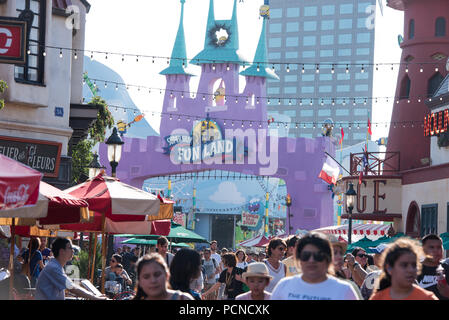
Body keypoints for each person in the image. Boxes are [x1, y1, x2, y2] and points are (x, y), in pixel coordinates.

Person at [271, 232, 359, 300]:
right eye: (306, 255)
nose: (311, 260)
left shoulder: (344, 290)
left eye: (318, 256)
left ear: (327, 258)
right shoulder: (284, 285)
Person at [35, 237, 107, 300]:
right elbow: (72, 287)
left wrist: (94, 296)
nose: (73, 251)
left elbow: (71, 285)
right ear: (61, 251)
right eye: (70, 248)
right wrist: (95, 298)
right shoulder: (53, 268)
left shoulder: (55, 266)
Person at [370, 238, 438, 300]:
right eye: (404, 265)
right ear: (389, 268)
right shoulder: (378, 297)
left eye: (414, 265)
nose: (411, 270)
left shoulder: (427, 298)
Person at [328, 235, 363, 300]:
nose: (339, 257)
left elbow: (362, 282)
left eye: (341, 253)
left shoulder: (347, 287)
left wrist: (353, 266)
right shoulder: (308, 282)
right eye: (334, 253)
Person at [417, 234, 449, 300]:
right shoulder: (413, 270)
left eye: (439, 247)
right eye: (431, 247)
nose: (436, 250)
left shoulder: (447, 269)